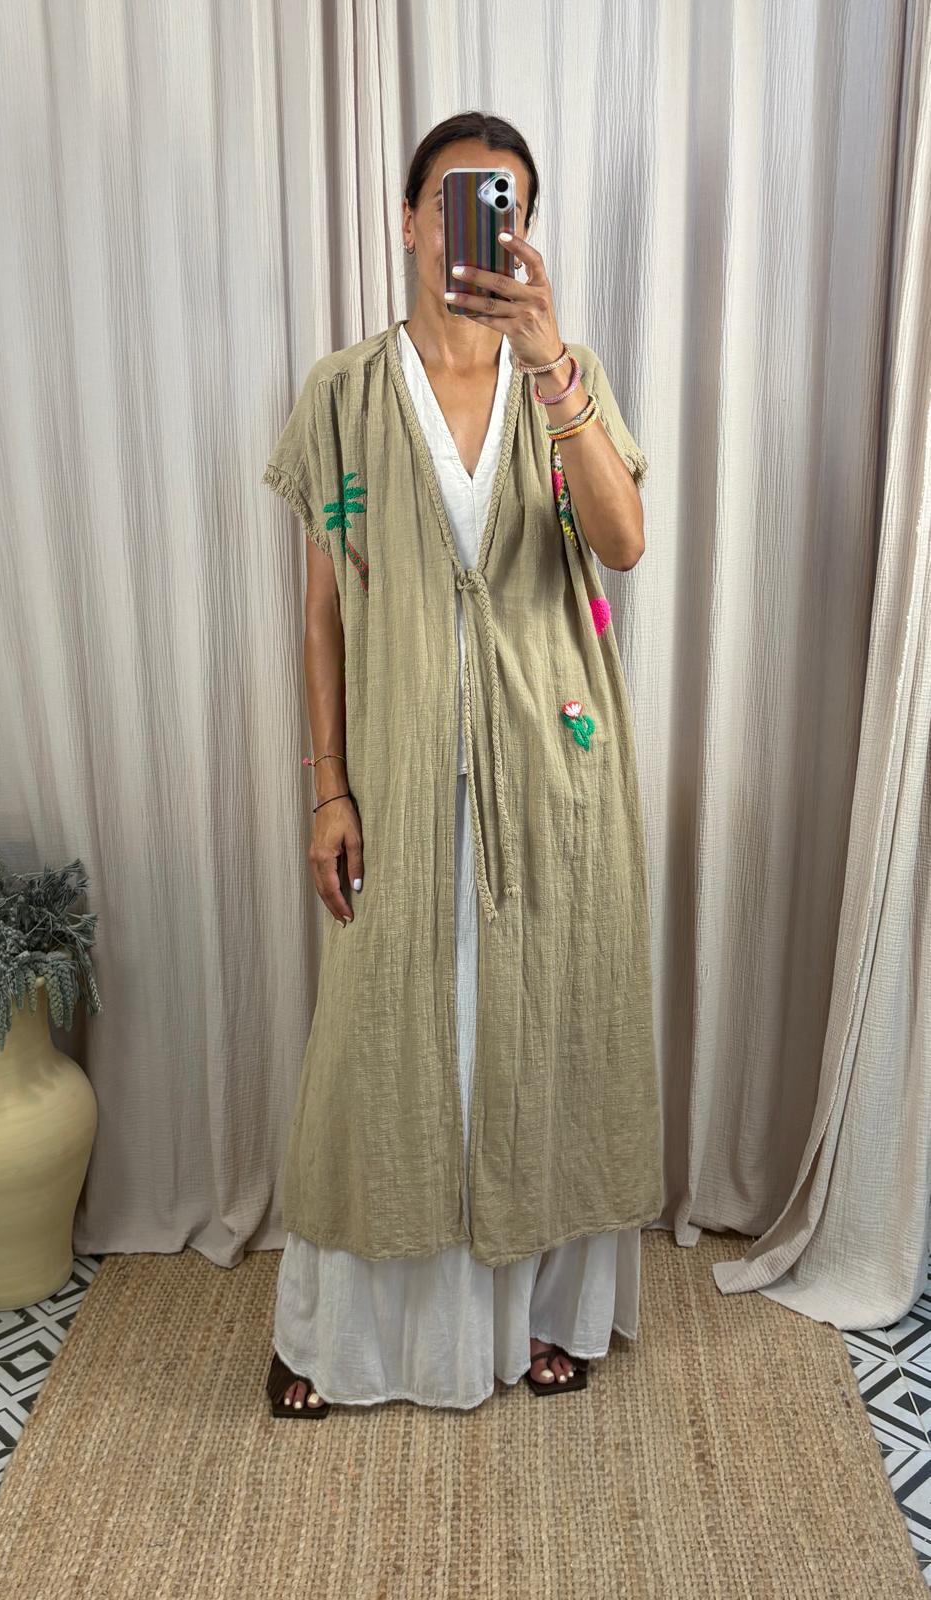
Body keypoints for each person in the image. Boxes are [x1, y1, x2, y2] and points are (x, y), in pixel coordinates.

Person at [262, 111, 664, 1417]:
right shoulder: (343, 395)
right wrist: (328, 785)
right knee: (382, 1042)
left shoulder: (566, 378)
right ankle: (347, 1334)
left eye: (505, 204)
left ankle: (547, 1313)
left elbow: (623, 542)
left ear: (524, 231)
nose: (477, 225)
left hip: (555, 767)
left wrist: (552, 370)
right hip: (397, 772)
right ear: (408, 218)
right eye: (454, 198)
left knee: (547, 1029)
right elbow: (325, 608)